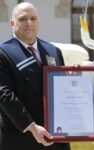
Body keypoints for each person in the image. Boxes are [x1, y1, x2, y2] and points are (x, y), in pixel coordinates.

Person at [0, 2, 70, 150]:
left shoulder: (53, 51)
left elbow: (63, 89)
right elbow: (4, 95)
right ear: (12, 23)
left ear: (38, 22)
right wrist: (32, 127)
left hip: (55, 138)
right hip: (22, 138)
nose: (29, 23)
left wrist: (76, 77)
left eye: (33, 18)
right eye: (23, 19)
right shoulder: (3, 53)